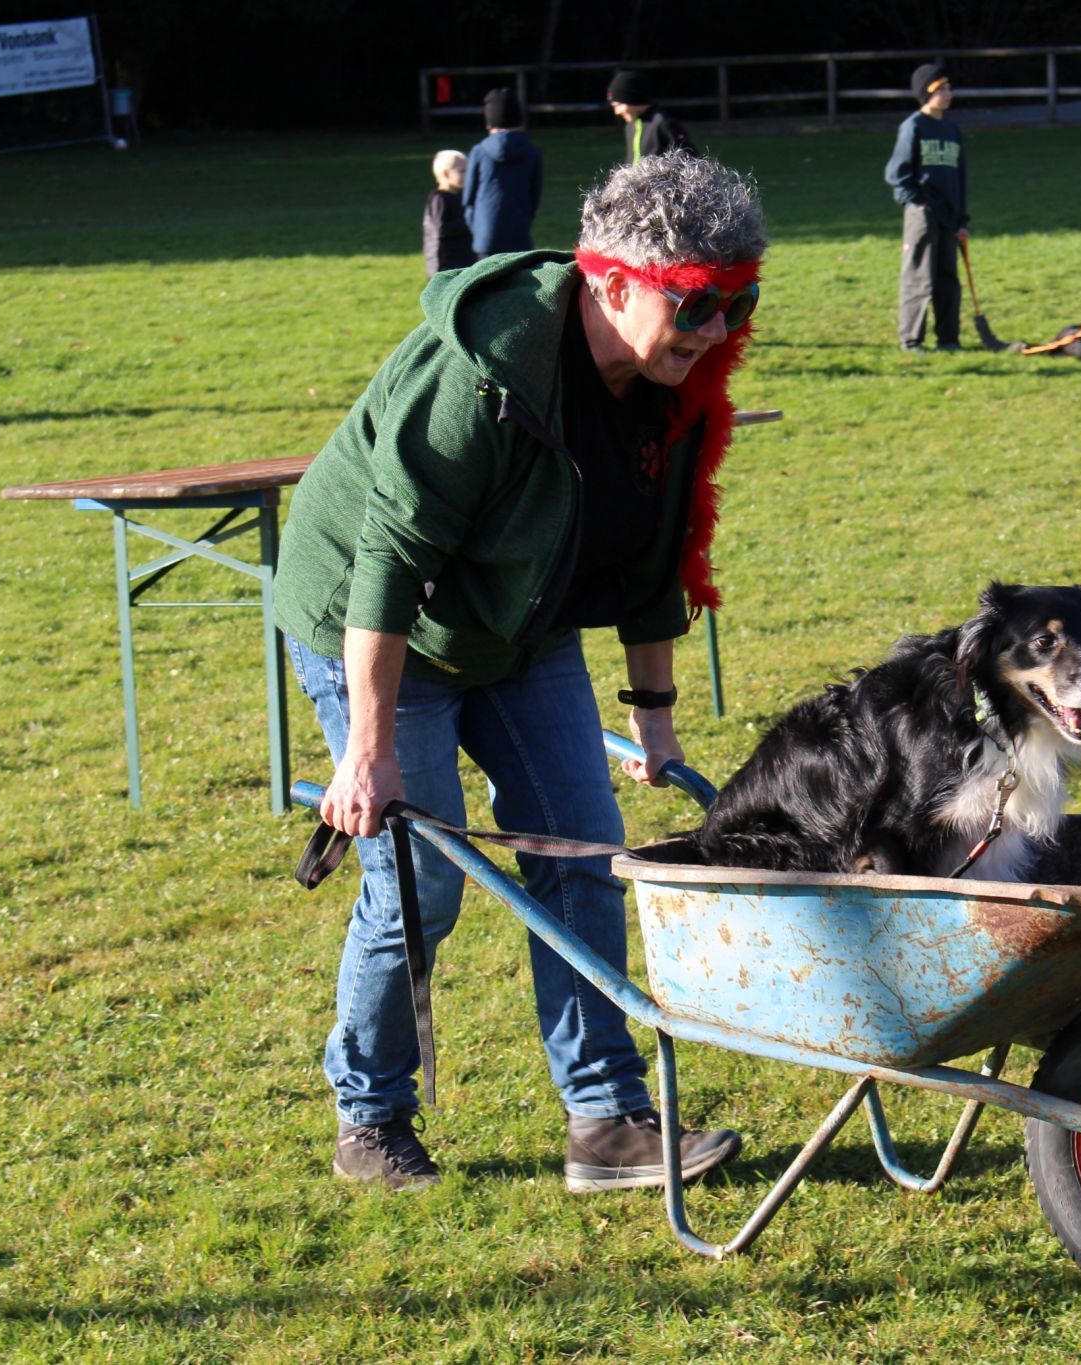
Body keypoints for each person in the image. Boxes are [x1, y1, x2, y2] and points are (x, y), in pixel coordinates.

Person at [274, 152, 766, 1191]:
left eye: (735, 301)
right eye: (693, 303)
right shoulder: (482, 372)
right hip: (374, 622)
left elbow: (652, 558)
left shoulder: (673, 387)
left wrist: (656, 715)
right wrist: (364, 754)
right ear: (610, 280)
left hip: (518, 629)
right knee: (419, 884)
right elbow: (389, 557)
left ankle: (607, 1124)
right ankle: (369, 1117)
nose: (715, 329)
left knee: (586, 854)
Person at [883, 63, 967, 355]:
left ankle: (949, 339)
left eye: (949, 88)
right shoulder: (913, 126)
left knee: (948, 280)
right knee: (919, 279)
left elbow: (960, 178)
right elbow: (896, 172)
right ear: (926, 94)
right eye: (941, 89)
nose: (948, 93)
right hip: (922, 215)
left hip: (949, 217)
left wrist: (962, 219)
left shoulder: (952, 129)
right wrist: (916, 202)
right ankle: (912, 340)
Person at [464, 87, 543, 257]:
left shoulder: (480, 151)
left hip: (486, 234)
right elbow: (534, 196)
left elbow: (468, 198)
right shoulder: (532, 152)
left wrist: (478, 229)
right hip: (519, 233)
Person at [606, 68, 693, 164]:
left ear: (634, 98)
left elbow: (689, 160)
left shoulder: (663, 123)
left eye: (619, 105)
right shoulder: (631, 125)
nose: (617, 112)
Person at [421, 149, 475, 277]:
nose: (468, 175)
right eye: (462, 171)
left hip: (462, 260)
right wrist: (471, 220)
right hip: (445, 265)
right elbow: (442, 228)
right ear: (446, 174)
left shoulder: (460, 197)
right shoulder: (439, 198)